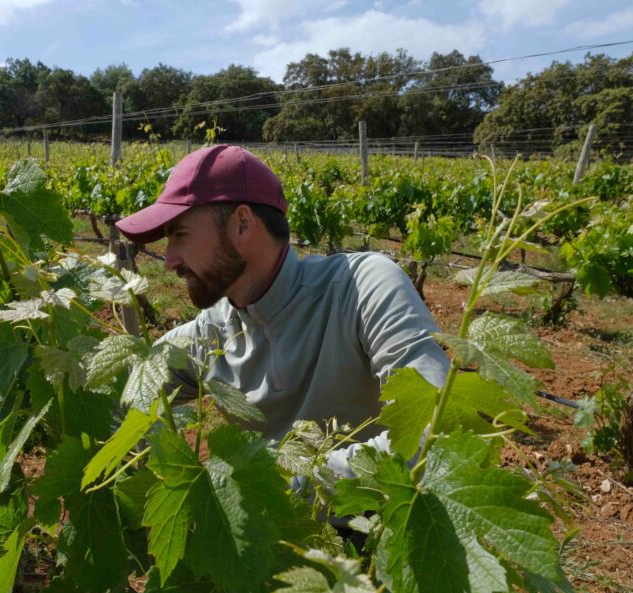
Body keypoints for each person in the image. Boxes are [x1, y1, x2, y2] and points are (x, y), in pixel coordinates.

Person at [116, 144, 449, 480]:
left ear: (242, 224)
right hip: (272, 530)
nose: (169, 259)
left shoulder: (360, 287)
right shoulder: (210, 334)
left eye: (180, 235)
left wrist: (284, 487)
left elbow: (433, 430)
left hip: (379, 525)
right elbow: (124, 389)